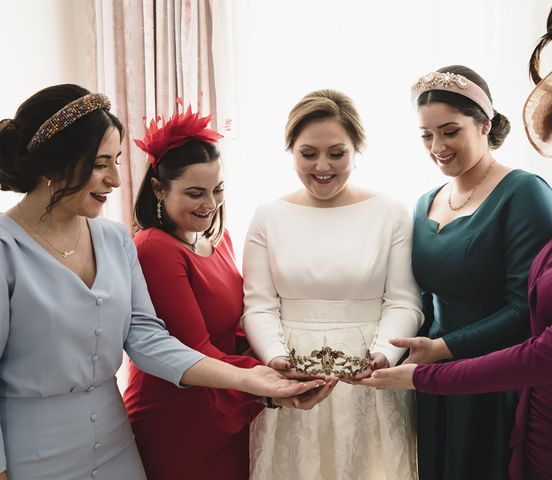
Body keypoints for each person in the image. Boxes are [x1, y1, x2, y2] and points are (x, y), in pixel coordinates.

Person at [356, 1, 552, 479]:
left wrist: (433, 367)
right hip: (536, 409)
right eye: (425, 135)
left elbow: (545, 343)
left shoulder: (529, 194)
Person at [0, 84, 327, 480]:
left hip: (114, 443)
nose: (116, 179)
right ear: (56, 164)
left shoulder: (113, 239)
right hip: (29, 456)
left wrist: (251, 378)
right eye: (102, 163)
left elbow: (147, 338)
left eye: (117, 160)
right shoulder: (6, 249)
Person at [123, 105, 338, 480]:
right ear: (158, 188)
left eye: (217, 189)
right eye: (195, 193)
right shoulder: (153, 248)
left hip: (229, 410)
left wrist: (278, 358)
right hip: (177, 416)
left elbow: (237, 327)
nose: (210, 204)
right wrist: (271, 386)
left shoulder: (217, 240)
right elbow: (196, 349)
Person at [242, 89, 424, 480]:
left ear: (356, 151)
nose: (322, 166)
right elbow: (259, 305)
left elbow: (404, 301)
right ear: (290, 152)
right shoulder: (267, 216)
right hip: (293, 378)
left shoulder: (390, 212)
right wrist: (275, 356)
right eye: (308, 154)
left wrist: (383, 355)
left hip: (367, 376)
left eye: (336, 153)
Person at [406, 65, 552, 479]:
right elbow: (421, 297)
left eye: (450, 130)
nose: (437, 145)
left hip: (497, 379)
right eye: (426, 134)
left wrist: (442, 350)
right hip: (435, 379)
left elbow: (528, 308)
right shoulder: (425, 202)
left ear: (484, 124)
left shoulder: (524, 193)